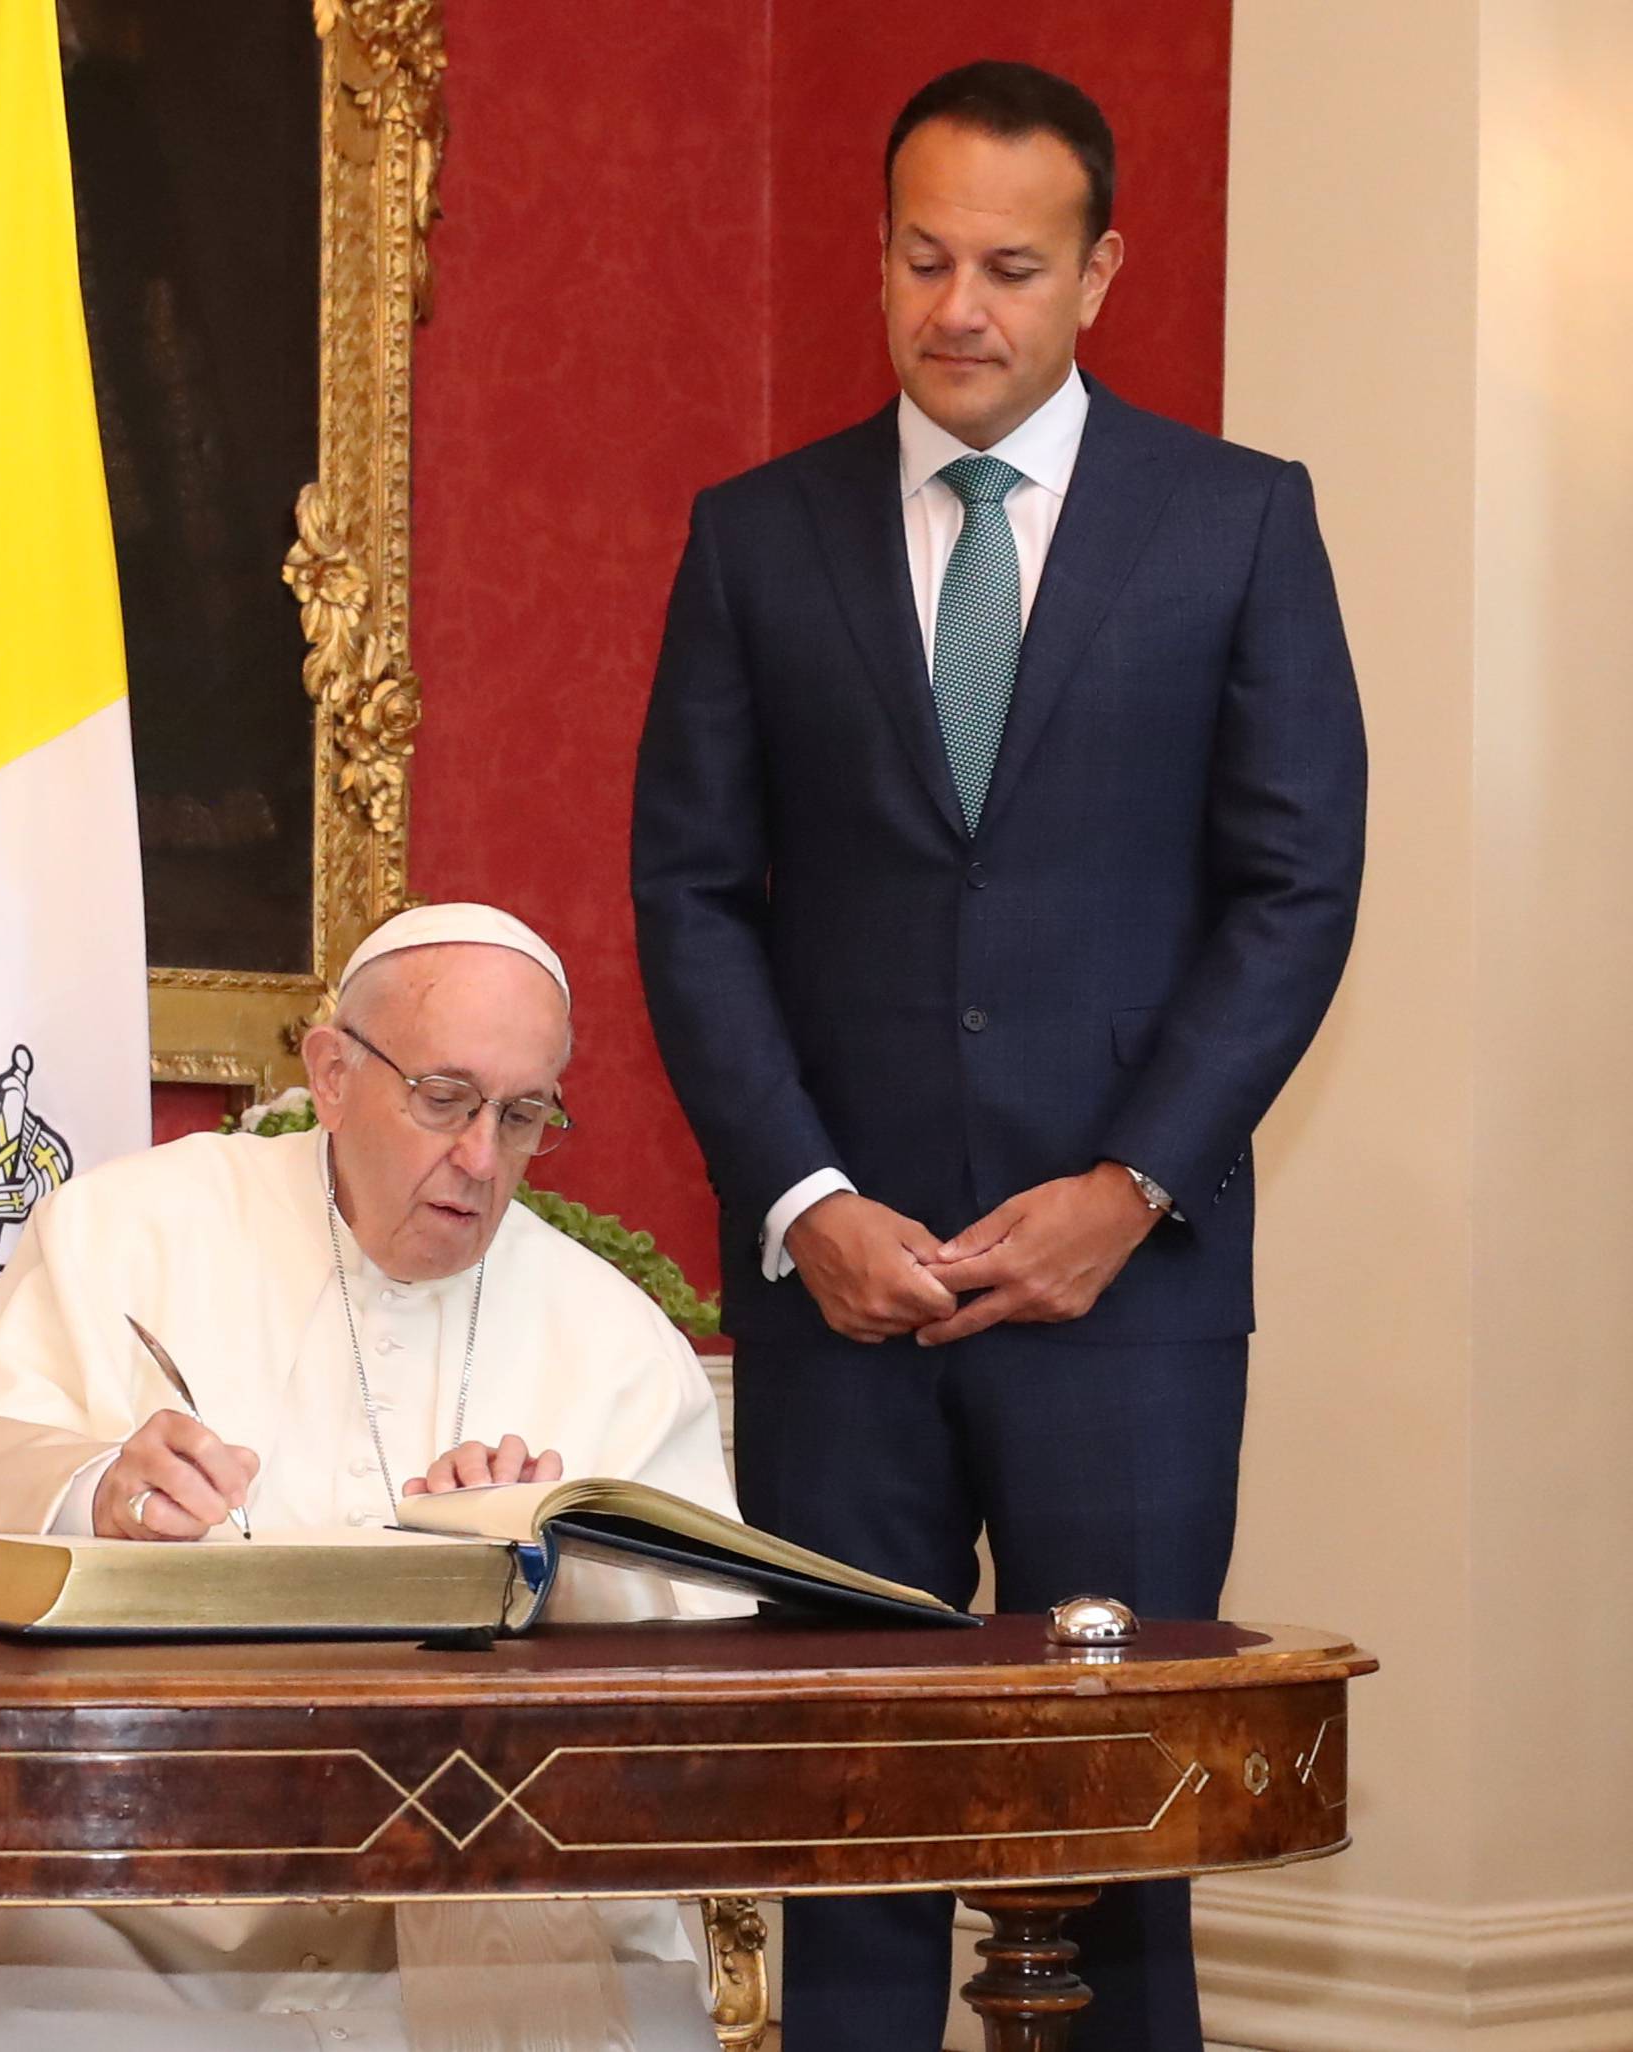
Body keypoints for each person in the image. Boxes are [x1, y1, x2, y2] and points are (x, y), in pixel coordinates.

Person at [631, 59, 1367, 2052]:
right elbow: (690, 894)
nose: (961, 308)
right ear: (879, 257)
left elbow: (1297, 888)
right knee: (852, 1824)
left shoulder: (1236, 526)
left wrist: (1131, 1189)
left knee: (1113, 1837)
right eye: (924, 257)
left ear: (1099, 273)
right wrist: (802, 1201)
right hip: (837, 1303)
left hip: (1122, 1304)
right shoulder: (752, 540)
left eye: (1013, 267)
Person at [0, 902, 742, 2052]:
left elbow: (709, 1657)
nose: (482, 1159)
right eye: (444, 1100)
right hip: (116, 1904)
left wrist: (542, 1560)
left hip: (476, 1914)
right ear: (334, 1071)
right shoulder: (132, 1230)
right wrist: (93, 1489)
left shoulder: (614, 1335)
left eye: (525, 1114)